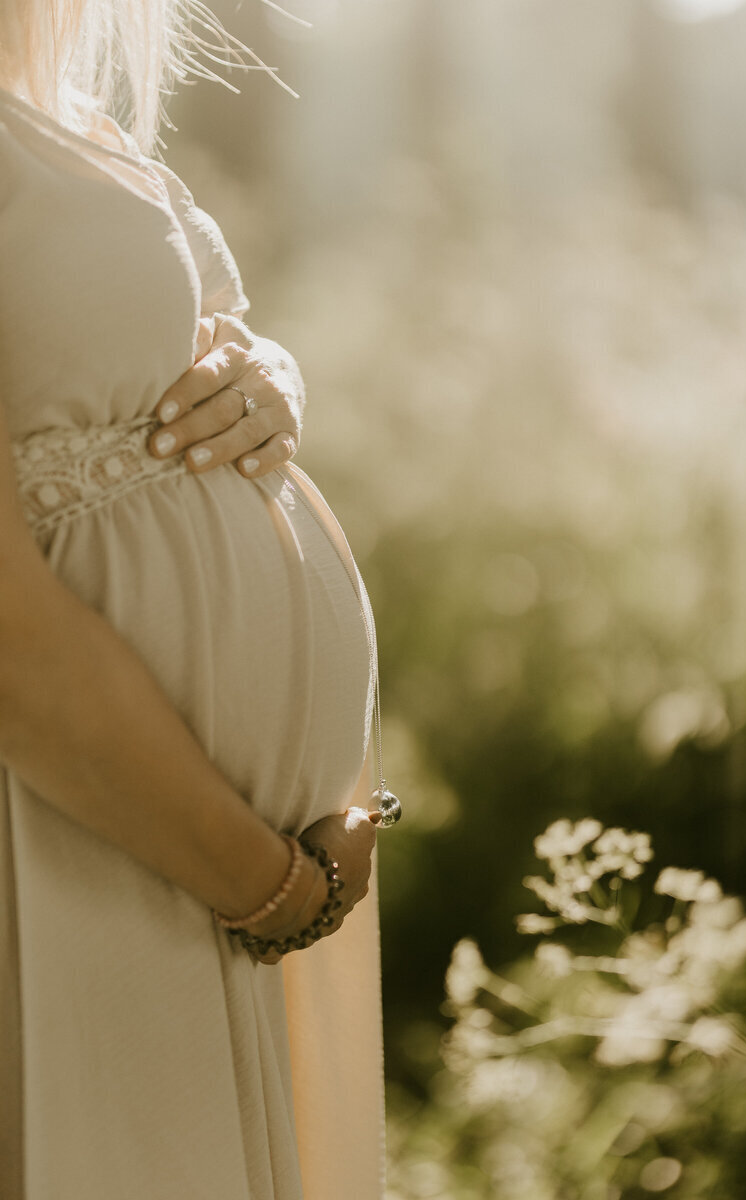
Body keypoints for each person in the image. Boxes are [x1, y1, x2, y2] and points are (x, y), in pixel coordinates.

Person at [0, 2, 393, 1197]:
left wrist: (262, 377)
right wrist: (259, 881)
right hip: (85, 856)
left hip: (173, 875)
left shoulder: (56, 115)